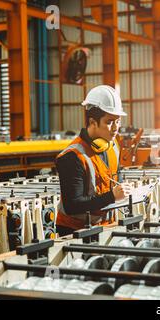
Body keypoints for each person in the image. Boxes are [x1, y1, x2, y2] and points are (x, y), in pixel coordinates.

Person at [55, 85, 131, 236]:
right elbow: (73, 205)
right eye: (110, 122)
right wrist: (112, 196)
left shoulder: (113, 146)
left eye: (118, 121)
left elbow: (116, 179)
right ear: (93, 122)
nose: (116, 128)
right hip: (75, 232)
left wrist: (123, 191)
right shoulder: (72, 156)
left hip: (106, 225)